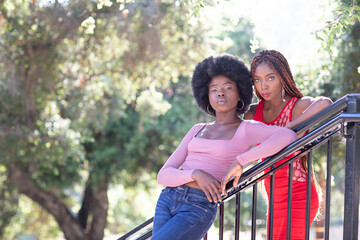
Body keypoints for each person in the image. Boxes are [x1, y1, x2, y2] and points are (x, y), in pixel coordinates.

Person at [152, 55, 298, 240]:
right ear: (207, 96)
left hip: (198, 205)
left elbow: (288, 135)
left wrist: (241, 160)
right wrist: (195, 174)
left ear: (240, 95)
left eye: (228, 88)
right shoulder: (198, 129)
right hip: (168, 198)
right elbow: (163, 175)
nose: (220, 93)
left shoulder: (246, 128)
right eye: (214, 90)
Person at [223, 50, 332, 240]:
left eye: (270, 78)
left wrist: (285, 130)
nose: (263, 86)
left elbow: (325, 103)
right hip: (274, 195)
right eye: (257, 79)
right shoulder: (252, 114)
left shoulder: (296, 106)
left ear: (282, 77)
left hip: (300, 194)